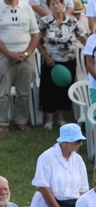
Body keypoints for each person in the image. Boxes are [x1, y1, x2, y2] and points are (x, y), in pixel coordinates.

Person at [30, 124, 89, 207]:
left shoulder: (78, 159)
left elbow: (83, 189)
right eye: (78, 141)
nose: (80, 144)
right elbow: (43, 188)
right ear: (66, 141)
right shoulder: (47, 157)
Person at [37, 0, 86, 130]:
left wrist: (92, 47)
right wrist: (45, 57)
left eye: (58, 3)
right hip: (50, 61)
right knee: (49, 90)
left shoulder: (72, 20)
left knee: (65, 89)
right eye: (52, 4)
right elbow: (37, 41)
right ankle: (49, 120)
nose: (56, 6)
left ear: (64, 5)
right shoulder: (44, 21)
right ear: (49, 7)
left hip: (69, 60)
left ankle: (61, 118)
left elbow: (81, 37)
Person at [0, 0, 38, 135]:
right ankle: (2, 123)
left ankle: (21, 122)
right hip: (4, 56)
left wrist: (27, 53)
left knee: (24, 92)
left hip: (26, 56)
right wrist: (9, 54)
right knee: (2, 92)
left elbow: (35, 34)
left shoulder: (27, 9)